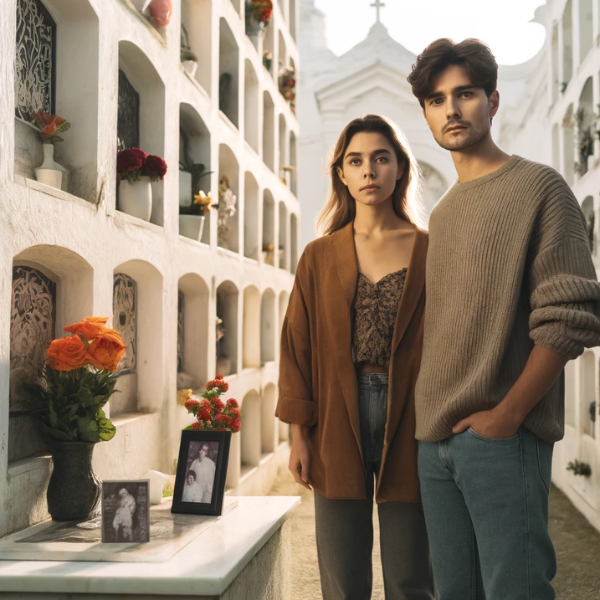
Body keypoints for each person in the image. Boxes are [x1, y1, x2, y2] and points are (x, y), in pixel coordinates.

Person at [407, 38, 600, 600]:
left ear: (492, 102)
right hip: (434, 441)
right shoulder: (441, 216)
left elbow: (569, 317)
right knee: (453, 593)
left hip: (502, 438)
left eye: (464, 94)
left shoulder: (541, 188)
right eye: (437, 99)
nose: (451, 109)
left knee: (515, 589)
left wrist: (508, 415)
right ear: (425, 113)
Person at [276, 114, 435, 600]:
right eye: (356, 160)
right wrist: (298, 437)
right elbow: (296, 348)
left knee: (411, 573)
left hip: (412, 414)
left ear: (400, 169)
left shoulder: (431, 249)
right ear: (341, 173)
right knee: (343, 578)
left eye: (381, 158)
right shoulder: (318, 256)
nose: (369, 171)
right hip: (335, 417)